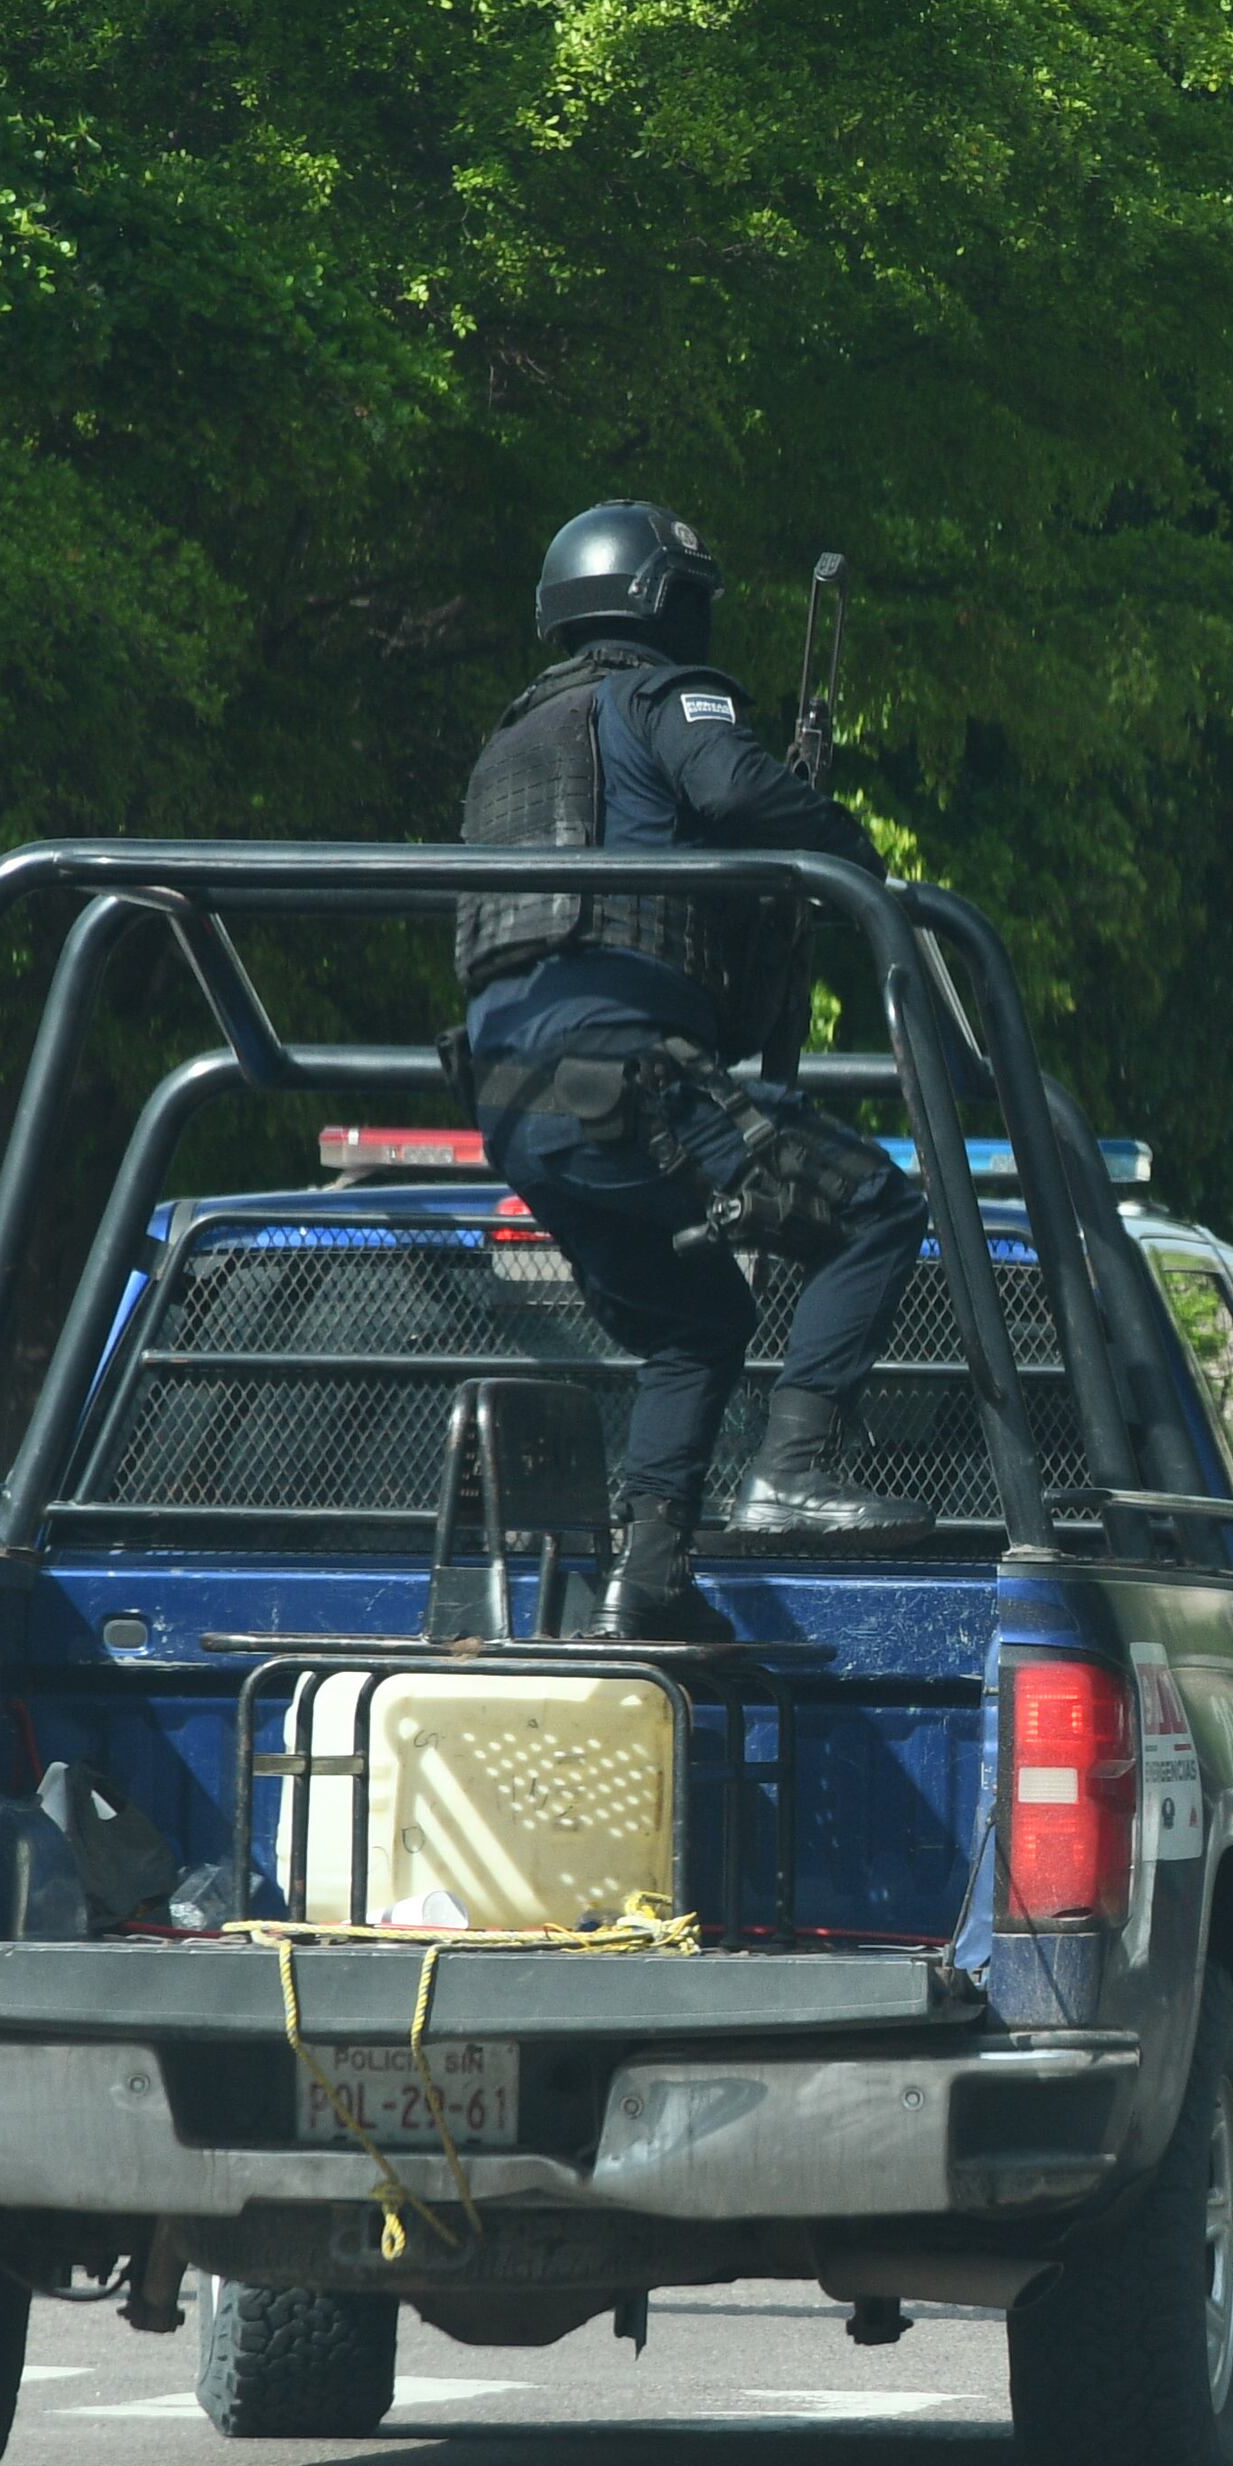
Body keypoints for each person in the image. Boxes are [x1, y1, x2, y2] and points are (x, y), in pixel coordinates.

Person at [455, 499, 937, 1633]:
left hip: (516, 1106)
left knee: (697, 1322)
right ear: (662, 601)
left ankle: (652, 1582)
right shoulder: (664, 696)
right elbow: (735, 792)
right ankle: (793, 1472)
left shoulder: (506, 748)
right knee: (874, 1208)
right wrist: (856, 871)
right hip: (622, 1077)